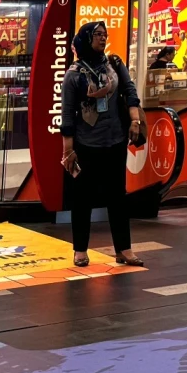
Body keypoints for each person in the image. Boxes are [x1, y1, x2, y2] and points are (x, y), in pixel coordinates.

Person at [61, 20, 146, 267]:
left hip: (115, 140)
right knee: (82, 199)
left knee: (118, 197)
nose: (102, 38)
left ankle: (124, 249)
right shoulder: (74, 74)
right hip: (86, 144)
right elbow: (67, 114)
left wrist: (135, 121)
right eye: (97, 34)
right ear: (86, 38)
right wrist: (68, 150)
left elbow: (130, 92)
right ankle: (80, 250)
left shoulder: (114, 64)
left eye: (104, 34)